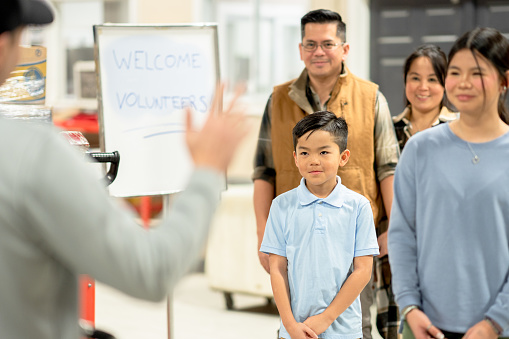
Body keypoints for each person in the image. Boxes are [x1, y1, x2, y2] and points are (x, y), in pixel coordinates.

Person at [0, 1, 249, 339]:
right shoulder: (33, 153)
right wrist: (207, 171)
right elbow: (150, 271)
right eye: (23, 37)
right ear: (4, 45)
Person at [253, 9, 399, 338]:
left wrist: (394, 226)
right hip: (295, 237)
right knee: (295, 318)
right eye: (310, 44)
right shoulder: (276, 100)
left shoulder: (372, 98)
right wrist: (263, 235)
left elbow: (389, 167)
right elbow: (264, 171)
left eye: (328, 43)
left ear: (344, 48)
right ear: (301, 48)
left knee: (354, 322)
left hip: (352, 239)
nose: (318, 51)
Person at [388, 27, 509, 339]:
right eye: (455, 72)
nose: (464, 83)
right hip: (425, 326)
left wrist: (495, 322)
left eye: (477, 72)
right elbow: (402, 236)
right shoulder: (420, 149)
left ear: (505, 81)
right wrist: (409, 308)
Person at [260, 111, 379, 339]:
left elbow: (363, 271)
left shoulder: (359, 206)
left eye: (324, 152)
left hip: (344, 331)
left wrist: (326, 319)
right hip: (294, 330)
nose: (313, 160)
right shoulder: (281, 206)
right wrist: (290, 326)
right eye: (304, 153)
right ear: (295, 158)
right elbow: (277, 269)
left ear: (343, 157)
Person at [376, 44, 457, 338]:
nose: (423, 87)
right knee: (394, 326)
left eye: (433, 79)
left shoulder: (460, 130)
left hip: (446, 248)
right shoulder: (387, 129)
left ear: (446, 83)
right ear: (404, 81)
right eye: (414, 78)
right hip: (393, 250)